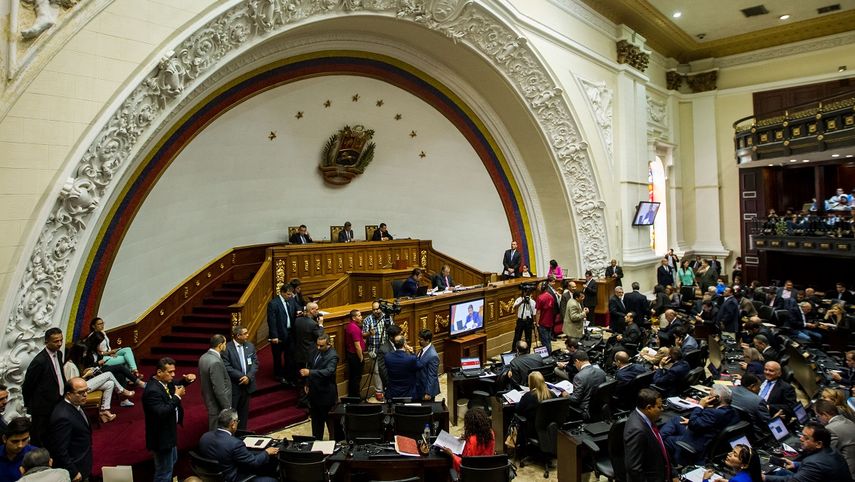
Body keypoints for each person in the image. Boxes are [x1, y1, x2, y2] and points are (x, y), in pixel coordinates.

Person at [660, 384, 741, 466]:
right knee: (676, 419)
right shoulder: (733, 411)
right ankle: (659, 440)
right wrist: (693, 421)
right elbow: (711, 423)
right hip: (705, 433)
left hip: (695, 441)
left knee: (667, 438)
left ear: (717, 398)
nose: (707, 397)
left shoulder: (713, 413)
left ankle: (658, 444)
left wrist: (700, 405)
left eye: (710, 395)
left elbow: (694, 424)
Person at [143, 357, 193, 482]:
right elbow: (162, 412)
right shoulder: (152, 391)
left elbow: (174, 384)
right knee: (164, 472)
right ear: (159, 372)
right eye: (170, 372)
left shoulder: (163, 383)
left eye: (173, 371)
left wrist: (185, 381)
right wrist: (177, 396)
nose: (173, 375)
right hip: (161, 438)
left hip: (168, 433)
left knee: (171, 463)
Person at [198, 409, 279, 482]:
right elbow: (254, 462)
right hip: (233, 478)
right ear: (233, 424)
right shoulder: (235, 444)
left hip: (213, 477)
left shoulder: (205, 437)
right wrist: (267, 452)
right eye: (237, 421)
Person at [63, 342, 132, 423]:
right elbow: (72, 384)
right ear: (78, 353)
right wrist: (85, 375)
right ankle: (121, 390)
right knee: (108, 374)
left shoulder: (76, 362)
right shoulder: (70, 365)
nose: (85, 354)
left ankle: (104, 411)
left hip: (84, 385)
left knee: (110, 384)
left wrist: (85, 372)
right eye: (84, 352)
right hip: (80, 391)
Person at [21, 328, 66, 446]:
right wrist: (30, 406)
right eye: (56, 341)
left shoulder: (59, 354)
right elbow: (27, 386)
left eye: (61, 340)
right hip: (42, 407)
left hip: (58, 400)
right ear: (46, 342)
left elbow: (59, 375)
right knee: (40, 436)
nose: (60, 344)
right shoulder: (39, 361)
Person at [765, 422, 852, 482]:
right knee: (780, 472)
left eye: (806, 438)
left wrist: (765, 478)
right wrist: (794, 464)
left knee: (776, 475)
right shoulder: (833, 450)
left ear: (818, 444)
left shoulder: (813, 462)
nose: (801, 439)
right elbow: (820, 467)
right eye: (802, 435)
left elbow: (793, 481)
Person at [47, 378, 92, 482]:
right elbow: (60, 450)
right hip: (76, 468)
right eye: (80, 392)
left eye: (86, 390)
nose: (85, 395)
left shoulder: (76, 404)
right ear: (68, 394)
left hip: (83, 459)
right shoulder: (62, 417)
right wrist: (73, 471)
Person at [624, 389, 672, 482]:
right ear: (649, 408)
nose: (662, 409)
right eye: (659, 407)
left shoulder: (647, 419)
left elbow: (661, 448)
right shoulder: (637, 430)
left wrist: (672, 472)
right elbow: (634, 469)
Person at [300, 334, 338, 440]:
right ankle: (317, 441)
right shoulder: (317, 351)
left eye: (321, 346)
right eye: (317, 345)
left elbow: (328, 372)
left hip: (326, 395)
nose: (318, 348)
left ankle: (334, 444)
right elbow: (310, 366)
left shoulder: (333, 356)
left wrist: (310, 373)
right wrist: (307, 383)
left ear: (328, 344)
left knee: (331, 424)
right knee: (316, 423)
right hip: (314, 394)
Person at [84, 318, 142, 384]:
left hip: (110, 353)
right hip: (104, 358)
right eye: (99, 324)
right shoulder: (94, 337)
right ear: (93, 326)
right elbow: (98, 353)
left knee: (128, 349)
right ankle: (131, 376)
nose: (102, 325)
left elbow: (106, 347)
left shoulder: (102, 332)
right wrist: (109, 353)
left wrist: (111, 352)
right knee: (126, 358)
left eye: (103, 323)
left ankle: (134, 370)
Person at [222, 326, 258, 431]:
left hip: (247, 385)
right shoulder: (227, 348)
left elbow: (255, 363)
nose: (248, 335)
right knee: (232, 414)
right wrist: (241, 376)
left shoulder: (250, 346)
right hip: (235, 386)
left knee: (244, 414)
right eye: (245, 333)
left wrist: (248, 377)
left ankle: (242, 435)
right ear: (238, 335)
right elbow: (226, 366)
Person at [441, 408, 495, 474]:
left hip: (473, 473)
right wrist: (467, 437)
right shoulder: (490, 433)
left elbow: (466, 465)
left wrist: (451, 454)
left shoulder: (473, 441)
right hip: (488, 470)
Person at [814, 399, 855, 479]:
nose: (818, 419)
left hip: (848, 474)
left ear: (825, 415)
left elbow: (826, 456)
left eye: (818, 416)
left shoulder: (830, 429)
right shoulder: (848, 421)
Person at [294, 302, 325, 405]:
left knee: (301, 378)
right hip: (309, 355)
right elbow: (320, 337)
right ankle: (305, 401)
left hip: (299, 353)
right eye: (316, 309)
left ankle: (302, 399)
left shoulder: (297, 320)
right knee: (308, 379)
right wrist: (320, 325)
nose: (318, 311)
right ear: (311, 310)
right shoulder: (313, 324)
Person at [198, 334, 231, 432]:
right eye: (225, 343)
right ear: (220, 345)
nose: (226, 346)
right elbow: (219, 389)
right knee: (218, 433)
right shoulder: (215, 362)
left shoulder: (203, 357)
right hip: (217, 405)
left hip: (209, 400)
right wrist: (227, 408)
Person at [362, 301, 392, 401]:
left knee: (388, 369)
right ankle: (379, 391)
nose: (376, 311)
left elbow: (392, 331)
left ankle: (388, 388)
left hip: (387, 349)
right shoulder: (367, 320)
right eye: (374, 309)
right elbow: (363, 335)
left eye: (378, 309)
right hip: (374, 349)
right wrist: (369, 333)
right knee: (376, 371)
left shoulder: (387, 317)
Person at [730, 373, 771, 442]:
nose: (760, 388)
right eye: (759, 386)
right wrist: (775, 416)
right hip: (753, 437)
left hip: (731, 430)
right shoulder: (758, 401)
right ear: (752, 386)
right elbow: (768, 425)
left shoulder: (730, 390)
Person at [266, 283, 294, 385]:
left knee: (289, 356)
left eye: (291, 294)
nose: (290, 296)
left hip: (289, 333)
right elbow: (271, 321)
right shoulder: (273, 303)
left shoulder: (290, 301)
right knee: (277, 356)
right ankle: (279, 375)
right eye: (288, 294)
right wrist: (274, 336)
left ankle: (288, 375)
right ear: (282, 292)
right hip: (278, 334)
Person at [567, 351, 607, 421]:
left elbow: (575, 400)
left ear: (577, 361)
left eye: (574, 364)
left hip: (585, 410)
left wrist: (566, 395)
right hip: (600, 407)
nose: (575, 366)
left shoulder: (579, 376)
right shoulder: (601, 372)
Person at [536, 275, 561, 352]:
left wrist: (537, 322)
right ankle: (549, 352)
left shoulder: (540, 298)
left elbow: (538, 312)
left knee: (544, 340)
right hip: (550, 321)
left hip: (543, 322)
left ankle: (547, 355)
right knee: (548, 339)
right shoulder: (550, 296)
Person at [343, 310, 365, 398]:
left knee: (352, 377)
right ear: (353, 318)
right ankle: (356, 397)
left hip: (350, 355)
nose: (361, 317)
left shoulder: (350, 326)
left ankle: (352, 396)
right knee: (356, 378)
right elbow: (357, 346)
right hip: (355, 356)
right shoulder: (354, 328)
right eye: (359, 316)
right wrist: (361, 358)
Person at [414, 330, 440, 401]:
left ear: (427, 340)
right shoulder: (423, 349)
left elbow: (432, 376)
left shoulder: (433, 356)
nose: (419, 341)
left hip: (426, 390)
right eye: (419, 339)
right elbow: (419, 362)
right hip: (419, 386)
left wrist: (428, 393)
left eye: (421, 340)